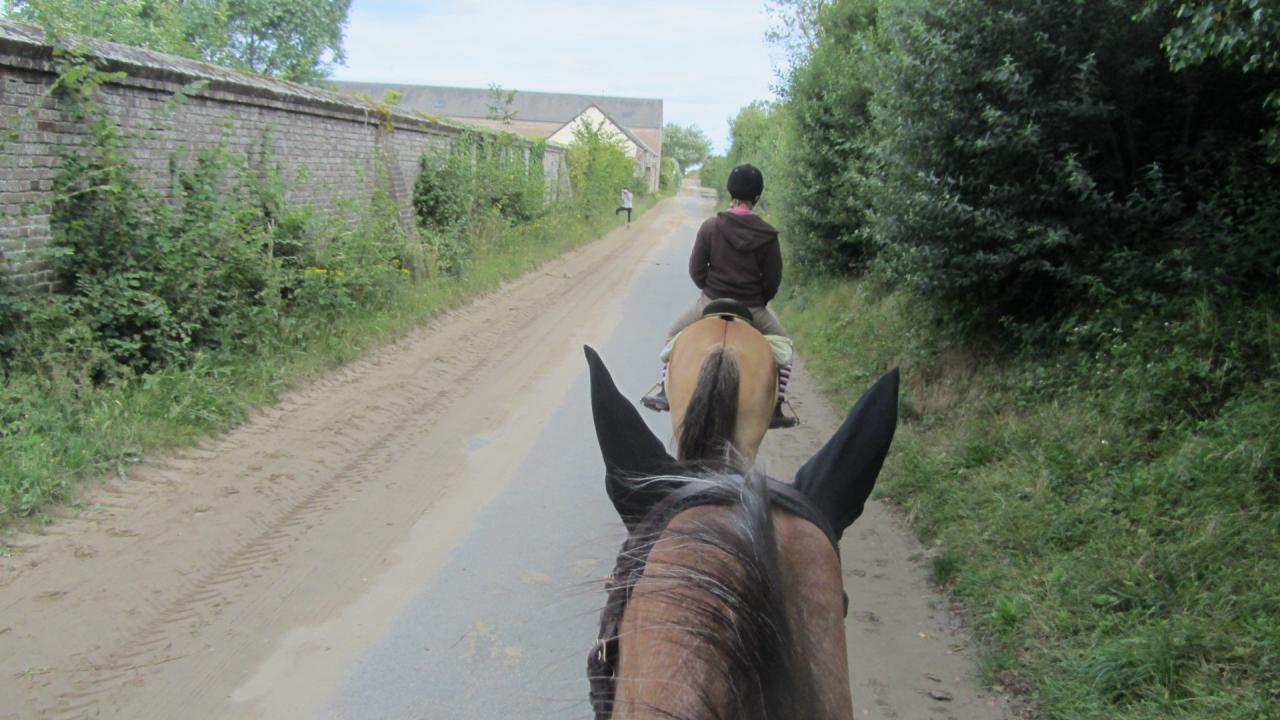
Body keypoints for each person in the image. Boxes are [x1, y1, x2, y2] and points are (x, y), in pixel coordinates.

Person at [641, 163, 797, 428]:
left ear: (730, 191)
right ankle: (778, 405)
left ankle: (665, 392)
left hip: (710, 301)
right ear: (757, 195)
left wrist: (709, 290)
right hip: (752, 307)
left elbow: (696, 269)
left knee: (671, 336)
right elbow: (772, 280)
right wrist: (758, 302)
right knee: (785, 348)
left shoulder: (711, 227)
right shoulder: (769, 236)